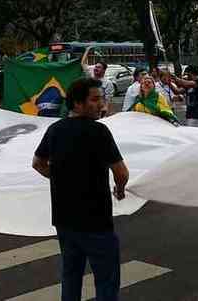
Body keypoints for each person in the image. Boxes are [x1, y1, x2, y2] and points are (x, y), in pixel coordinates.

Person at [32, 78, 129, 301]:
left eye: (101, 99)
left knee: (71, 275)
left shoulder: (55, 130)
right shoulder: (99, 132)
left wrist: (59, 178)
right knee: (106, 280)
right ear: (77, 103)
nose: (101, 105)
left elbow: (38, 163)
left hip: (64, 220)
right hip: (96, 222)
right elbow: (121, 172)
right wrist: (120, 190)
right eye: (94, 100)